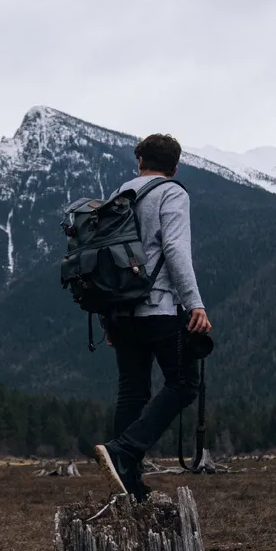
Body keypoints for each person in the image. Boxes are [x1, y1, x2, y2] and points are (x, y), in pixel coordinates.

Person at [95, 133, 211, 500]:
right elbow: (175, 249)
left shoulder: (119, 196)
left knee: (132, 392)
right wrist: (195, 304)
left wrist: (107, 316)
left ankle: (126, 484)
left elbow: (102, 259)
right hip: (159, 307)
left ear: (139, 161)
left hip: (120, 312)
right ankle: (124, 451)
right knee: (183, 384)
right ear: (175, 166)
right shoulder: (172, 193)